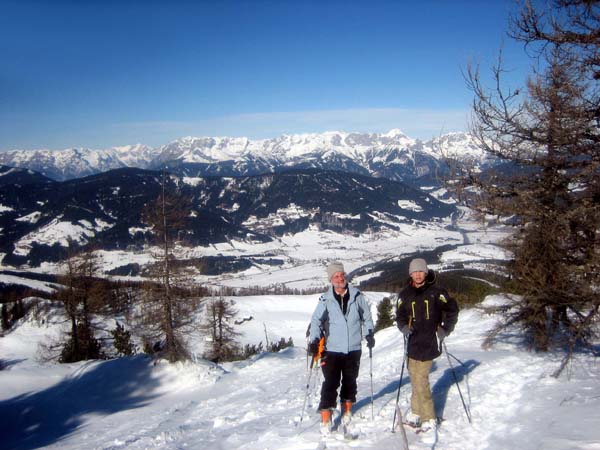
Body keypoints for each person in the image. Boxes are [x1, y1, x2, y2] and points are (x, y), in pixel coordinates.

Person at [308, 262, 375, 435]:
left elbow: (366, 317)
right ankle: (326, 418)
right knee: (330, 384)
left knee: (350, 382)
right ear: (331, 280)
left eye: (342, 275)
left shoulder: (357, 295)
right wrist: (314, 340)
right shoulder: (326, 299)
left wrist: (369, 333)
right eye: (336, 276)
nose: (340, 278)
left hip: (353, 348)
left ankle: (346, 411)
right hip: (332, 349)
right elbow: (315, 320)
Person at [395, 257, 459, 439]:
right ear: (410, 274)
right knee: (414, 378)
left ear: (426, 272)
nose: (417, 275)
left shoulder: (436, 292)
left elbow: (452, 309)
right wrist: (403, 327)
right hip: (413, 343)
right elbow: (399, 315)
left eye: (420, 271)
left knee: (421, 380)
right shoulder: (405, 294)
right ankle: (416, 412)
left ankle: (429, 417)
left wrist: (445, 329)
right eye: (414, 272)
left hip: (430, 342)